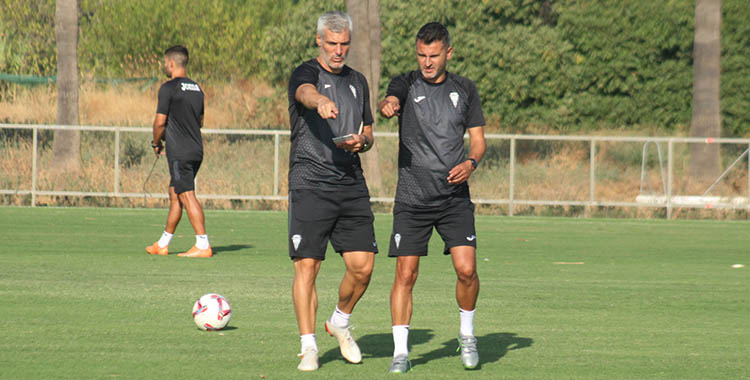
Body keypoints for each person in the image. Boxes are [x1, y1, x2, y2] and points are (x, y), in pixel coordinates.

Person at [379, 22, 487, 373]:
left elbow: (479, 141)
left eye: (434, 55)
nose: (427, 62)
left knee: (467, 270)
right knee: (406, 274)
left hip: (454, 197)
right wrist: (390, 104)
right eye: (422, 55)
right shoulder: (406, 83)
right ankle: (401, 352)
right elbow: (391, 96)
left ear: (448, 53)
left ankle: (467, 335)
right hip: (412, 198)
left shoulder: (465, 89)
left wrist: (471, 163)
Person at [287, 11, 378, 372]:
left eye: (344, 44)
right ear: (319, 41)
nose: (338, 51)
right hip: (310, 182)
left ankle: (340, 321)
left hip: (350, 182)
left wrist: (363, 141)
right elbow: (305, 93)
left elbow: (369, 128)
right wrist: (320, 102)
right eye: (332, 43)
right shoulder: (306, 73)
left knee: (363, 268)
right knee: (308, 265)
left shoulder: (358, 81)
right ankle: (308, 346)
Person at [145, 45, 212, 258]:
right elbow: (199, 121)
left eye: (165, 63)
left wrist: (157, 143)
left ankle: (202, 244)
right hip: (195, 149)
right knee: (175, 194)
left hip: (180, 152)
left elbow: (159, 122)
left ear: (171, 63)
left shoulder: (168, 88)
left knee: (186, 194)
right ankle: (163, 243)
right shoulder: (197, 89)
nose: (165, 66)